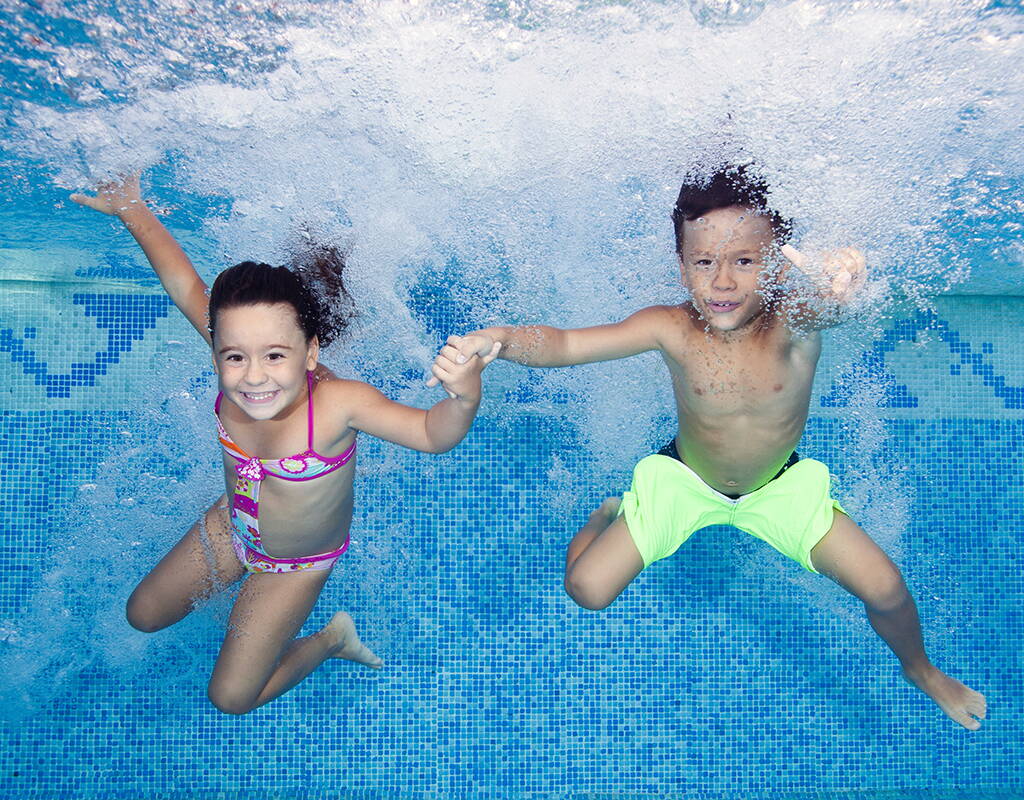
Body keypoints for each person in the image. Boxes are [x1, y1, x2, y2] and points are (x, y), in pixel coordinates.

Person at [438, 166, 987, 730]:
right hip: (685, 482)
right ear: (682, 268)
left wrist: (839, 289)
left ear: (774, 265)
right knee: (586, 589)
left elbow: (827, 309)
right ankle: (612, 512)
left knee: (887, 588)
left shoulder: (791, 323)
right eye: (704, 263)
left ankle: (920, 669)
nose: (722, 282)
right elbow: (567, 343)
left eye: (744, 261)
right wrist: (498, 340)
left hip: (779, 488)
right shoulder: (670, 328)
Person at [72, 175, 500, 715]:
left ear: (311, 352)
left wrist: (463, 399)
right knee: (143, 614)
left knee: (231, 697)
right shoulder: (240, 359)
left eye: (276, 356)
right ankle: (241, 601)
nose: (254, 377)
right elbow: (184, 287)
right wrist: (132, 209)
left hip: (295, 564)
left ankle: (330, 640)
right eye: (234, 356)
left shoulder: (340, 404)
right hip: (234, 526)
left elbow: (430, 435)